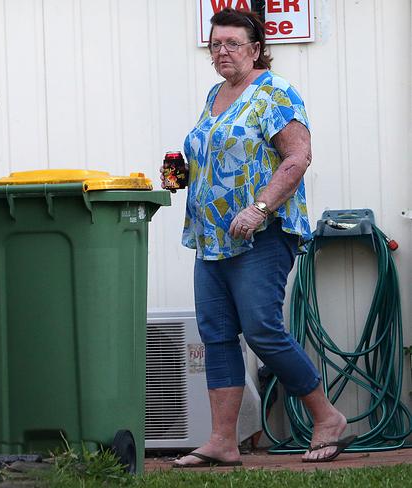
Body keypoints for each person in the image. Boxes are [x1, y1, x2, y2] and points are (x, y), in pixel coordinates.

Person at [162, 8, 356, 466]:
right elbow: (224, 157)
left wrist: (260, 207)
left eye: (232, 43)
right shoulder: (215, 94)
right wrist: (184, 173)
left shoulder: (275, 92)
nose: (222, 52)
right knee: (218, 336)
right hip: (212, 238)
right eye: (215, 45)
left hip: (260, 235)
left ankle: (327, 418)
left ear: (255, 48)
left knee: (263, 330)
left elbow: (298, 157)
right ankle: (222, 441)